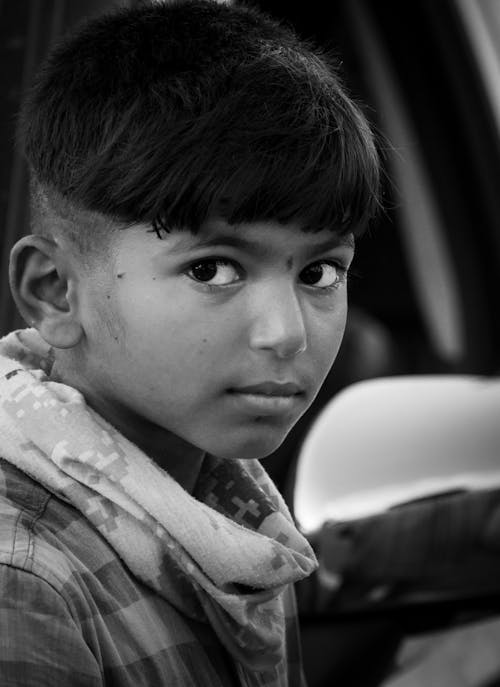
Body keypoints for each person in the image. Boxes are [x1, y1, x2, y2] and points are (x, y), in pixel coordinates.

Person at [0, 0, 380, 684]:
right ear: (56, 290)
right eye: (212, 269)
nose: (286, 332)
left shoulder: (229, 517)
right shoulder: (25, 583)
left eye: (319, 272)